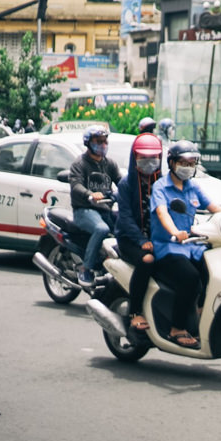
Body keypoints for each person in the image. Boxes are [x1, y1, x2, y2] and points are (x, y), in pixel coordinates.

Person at [150, 139, 221, 348]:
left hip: (191, 247)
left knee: (213, 272)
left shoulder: (193, 187)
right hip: (167, 247)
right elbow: (162, 212)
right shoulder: (161, 187)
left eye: (192, 163)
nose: (188, 167)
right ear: (172, 163)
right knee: (191, 279)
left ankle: (200, 316)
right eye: (184, 162)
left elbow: (214, 207)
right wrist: (175, 232)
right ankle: (177, 328)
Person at [114, 134, 164, 331]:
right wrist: (141, 240)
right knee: (147, 261)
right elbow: (125, 219)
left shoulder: (162, 184)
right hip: (130, 241)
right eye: (143, 158)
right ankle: (135, 311)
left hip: (157, 239)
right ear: (135, 158)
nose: (149, 163)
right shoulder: (126, 185)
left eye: (154, 158)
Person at [68, 125, 120, 285]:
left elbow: (122, 183)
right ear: (88, 143)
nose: (103, 145)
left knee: (124, 228)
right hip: (84, 210)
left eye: (105, 141)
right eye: (98, 141)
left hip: (105, 209)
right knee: (101, 229)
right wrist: (90, 194)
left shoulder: (110, 164)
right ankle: (86, 268)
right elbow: (76, 185)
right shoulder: (80, 164)